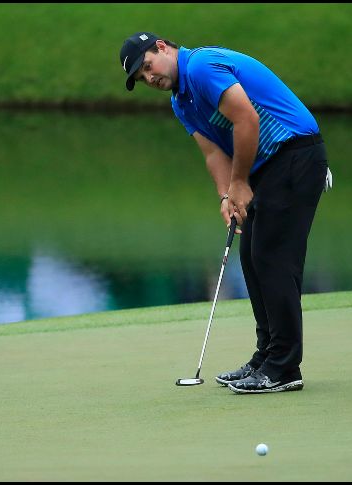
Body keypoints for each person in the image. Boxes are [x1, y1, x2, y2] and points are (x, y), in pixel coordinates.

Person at [119, 32, 331, 394]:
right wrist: (227, 195)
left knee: (272, 259)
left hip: (295, 154)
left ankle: (284, 367)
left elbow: (246, 120)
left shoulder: (201, 66)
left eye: (148, 66)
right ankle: (267, 356)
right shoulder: (180, 101)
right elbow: (214, 153)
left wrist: (240, 182)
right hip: (268, 166)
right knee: (251, 257)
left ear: (163, 47)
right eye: (142, 77)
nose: (149, 77)